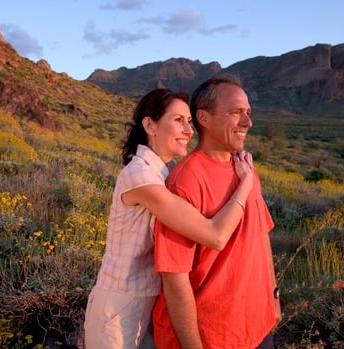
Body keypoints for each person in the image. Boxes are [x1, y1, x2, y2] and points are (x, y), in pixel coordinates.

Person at [84, 88, 255, 348]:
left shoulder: (168, 171)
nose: (189, 130)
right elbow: (215, 235)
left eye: (189, 121)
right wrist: (246, 183)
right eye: (178, 120)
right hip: (119, 305)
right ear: (150, 125)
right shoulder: (139, 176)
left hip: (151, 300)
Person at [152, 77, 282, 349]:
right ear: (204, 118)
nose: (248, 122)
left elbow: (261, 236)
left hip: (257, 327)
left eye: (247, 113)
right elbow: (175, 279)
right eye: (236, 113)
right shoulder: (185, 181)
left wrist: (273, 297)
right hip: (211, 338)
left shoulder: (246, 168)